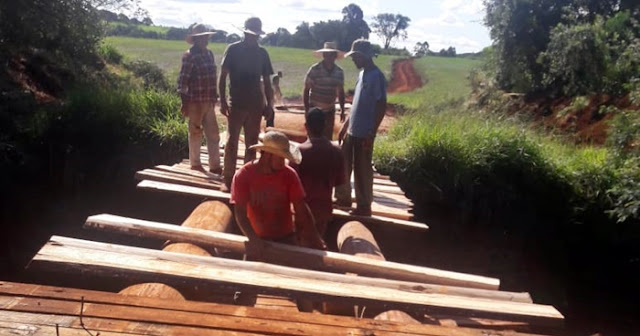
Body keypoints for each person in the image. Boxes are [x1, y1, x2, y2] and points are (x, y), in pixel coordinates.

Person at [230, 131, 327, 251]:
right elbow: (240, 213)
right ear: (267, 155)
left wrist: (315, 238)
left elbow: (301, 209)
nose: (284, 162)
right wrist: (254, 240)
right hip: (257, 237)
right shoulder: (243, 176)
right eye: (281, 158)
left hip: (286, 238)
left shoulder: (289, 174)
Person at [219, 17, 275, 192]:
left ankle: (246, 178)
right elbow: (222, 77)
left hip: (255, 105)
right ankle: (228, 179)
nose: (253, 38)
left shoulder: (262, 53)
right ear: (244, 33)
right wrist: (222, 100)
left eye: (256, 35)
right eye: (251, 34)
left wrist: (269, 105)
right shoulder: (233, 50)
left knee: (251, 143)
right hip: (236, 103)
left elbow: (267, 82)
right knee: (231, 142)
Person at [335, 39, 387, 216]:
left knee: (362, 170)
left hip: (365, 132)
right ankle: (343, 199)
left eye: (355, 57)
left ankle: (364, 206)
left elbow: (381, 105)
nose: (353, 60)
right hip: (352, 130)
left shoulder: (376, 76)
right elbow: (356, 103)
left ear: (364, 56)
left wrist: (371, 133)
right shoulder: (362, 74)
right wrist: (345, 124)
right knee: (343, 165)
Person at [290, 108, 346, 237]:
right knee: (317, 245)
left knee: (299, 244)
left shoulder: (299, 152)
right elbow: (339, 182)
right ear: (325, 126)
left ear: (306, 126)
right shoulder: (337, 152)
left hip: (301, 210)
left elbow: (288, 182)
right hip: (323, 210)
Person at [177, 23, 221, 174]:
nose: (206, 40)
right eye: (203, 38)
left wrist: (215, 96)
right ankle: (195, 164)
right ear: (196, 40)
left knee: (213, 134)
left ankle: (215, 166)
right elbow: (183, 81)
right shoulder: (189, 56)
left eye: (206, 38)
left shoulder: (209, 54)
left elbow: (212, 76)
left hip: (208, 100)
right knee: (195, 132)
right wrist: (184, 103)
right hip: (195, 101)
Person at [303, 42, 346, 140]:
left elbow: (341, 92)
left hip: (329, 111)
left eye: (331, 54)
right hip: (314, 111)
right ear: (323, 55)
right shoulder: (314, 69)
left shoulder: (339, 72)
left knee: (327, 138)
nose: (328, 57)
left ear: (335, 56)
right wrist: (307, 110)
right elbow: (306, 90)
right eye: (326, 54)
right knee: (313, 137)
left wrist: (342, 109)